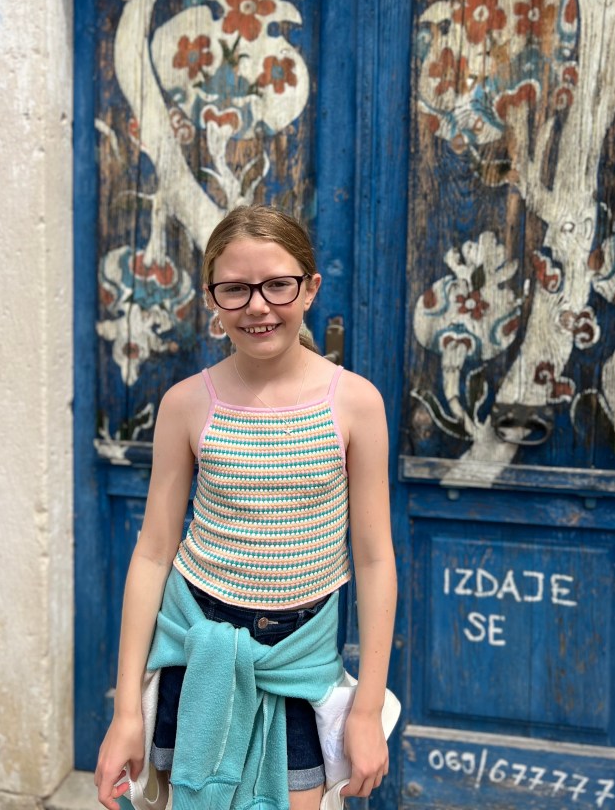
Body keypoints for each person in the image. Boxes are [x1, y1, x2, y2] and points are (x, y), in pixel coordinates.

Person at [94, 205, 397, 810]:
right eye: (235, 289)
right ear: (212, 299)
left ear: (310, 288)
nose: (258, 305)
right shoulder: (186, 404)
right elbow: (154, 553)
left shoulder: (356, 403)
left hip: (298, 660)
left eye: (277, 284)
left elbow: (374, 559)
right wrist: (126, 708)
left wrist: (367, 708)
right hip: (197, 647)